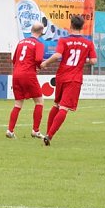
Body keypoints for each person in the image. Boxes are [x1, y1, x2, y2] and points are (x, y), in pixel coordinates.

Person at [38, 15, 97, 146]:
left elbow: (58, 55)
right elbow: (93, 61)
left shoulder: (64, 40)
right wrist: (83, 59)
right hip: (74, 79)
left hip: (61, 76)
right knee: (64, 107)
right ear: (82, 27)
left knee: (56, 105)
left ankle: (47, 133)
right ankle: (49, 135)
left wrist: (45, 63)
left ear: (71, 25)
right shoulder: (88, 43)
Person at [6, 21, 46, 139]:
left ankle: (10, 130)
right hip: (28, 74)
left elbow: (14, 60)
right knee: (39, 102)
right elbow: (38, 59)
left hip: (16, 74)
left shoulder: (21, 42)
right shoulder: (38, 44)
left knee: (18, 103)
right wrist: (38, 66)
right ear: (41, 32)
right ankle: (35, 130)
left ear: (31, 30)